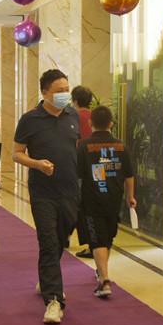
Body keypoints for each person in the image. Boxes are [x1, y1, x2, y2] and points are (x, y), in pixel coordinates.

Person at [13, 69, 79, 325]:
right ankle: (54, 300)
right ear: (45, 93)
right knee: (49, 242)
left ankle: (47, 276)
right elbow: (17, 153)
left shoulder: (72, 115)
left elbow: (75, 149)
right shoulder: (30, 119)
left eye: (67, 90)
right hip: (43, 192)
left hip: (70, 190)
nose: (65, 95)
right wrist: (37, 164)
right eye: (59, 91)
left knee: (61, 238)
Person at [77, 106, 136, 298]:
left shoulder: (84, 146)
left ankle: (104, 280)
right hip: (114, 199)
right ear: (111, 123)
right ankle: (102, 273)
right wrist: (130, 196)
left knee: (97, 240)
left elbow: (78, 176)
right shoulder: (121, 146)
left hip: (92, 199)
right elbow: (129, 175)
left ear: (90, 122)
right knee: (107, 237)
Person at [71, 86, 94, 258]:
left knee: (75, 203)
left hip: (77, 165)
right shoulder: (95, 116)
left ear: (75, 100)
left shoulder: (73, 116)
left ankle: (65, 236)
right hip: (95, 166)